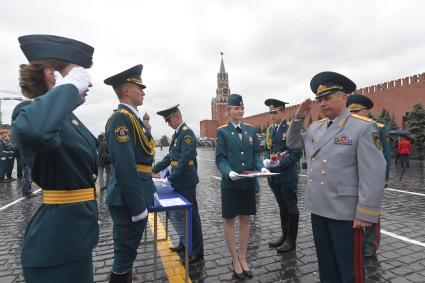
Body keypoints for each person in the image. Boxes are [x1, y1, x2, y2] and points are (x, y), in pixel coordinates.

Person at [11, 34, 99, 283]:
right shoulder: (26, 112)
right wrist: (68, 87)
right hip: (56, 247)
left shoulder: (66, 119)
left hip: (75, 239)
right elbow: (35, 129)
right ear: (53, 74)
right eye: (78, 72)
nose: (87, 82)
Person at [286, 71, 386, 282]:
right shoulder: (315, 127)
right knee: (326, 263)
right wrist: (299, 117)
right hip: (319, 207)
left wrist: (366, 213)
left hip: (346, 213)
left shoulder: (362, 127)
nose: (322, 104)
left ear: (344, 98)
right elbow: (292, 143)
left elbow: (374, 172)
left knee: (349, 268)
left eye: (328, 98)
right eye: (320, 100)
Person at [104, 64, 156, 282]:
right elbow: (125, 167)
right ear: (126, 90)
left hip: (136, 194)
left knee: (127, 255)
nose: (143, 91)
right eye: (139, 87)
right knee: (124, 257)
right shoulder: (121, 119)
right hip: (128, 202)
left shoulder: (133, 119)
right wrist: (137, 206)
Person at [215, 94, 269, 280]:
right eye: (236, 108)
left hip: (248, 182)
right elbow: (220, 158)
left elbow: (256, 154)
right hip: (231, 184)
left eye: (242, 107)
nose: (240, 110)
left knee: (246, 219)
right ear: (228, 111)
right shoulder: (222, 132)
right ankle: (234, 259)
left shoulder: (251, 130)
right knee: (230, 220)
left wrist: (261, 166)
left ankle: (243, 257)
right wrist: (228, 172)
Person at [153, 104, 204, 264]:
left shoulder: (186, 133)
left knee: (191, 216)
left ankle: (197, 250)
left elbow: (184, 159)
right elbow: (170, 157)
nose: (168, 123)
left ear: (176, 117)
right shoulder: (177, 134)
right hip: (179, 180)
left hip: (186, 181)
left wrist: (171, 178)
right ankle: (184, 243)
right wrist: (153, 169)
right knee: (182, 215)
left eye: (169, 120)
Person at [347, 93, 391, 258]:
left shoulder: (377, 127)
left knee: (371, 211)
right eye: (351, 111)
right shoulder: (345, 127)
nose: (354, 115)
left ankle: (370, 246)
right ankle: (355, 242)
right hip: (351, 179)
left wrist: (383, 180)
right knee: (352, 211)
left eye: (357, 111)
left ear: (366, 111)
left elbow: (385, 156)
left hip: (371, 178)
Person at [263, 99, 302, 253]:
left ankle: (291, 240)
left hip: (287, 176)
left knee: (290, 206)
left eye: (275, 112)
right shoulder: (270, 130)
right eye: (270, 112)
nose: (272, 115)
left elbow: (296, 153)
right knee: (281, 206)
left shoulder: (292, 129)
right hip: (274, 177)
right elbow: (267, 148)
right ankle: (284, 235)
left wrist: (279, 163)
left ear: (283, 112)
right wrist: (266, 159)